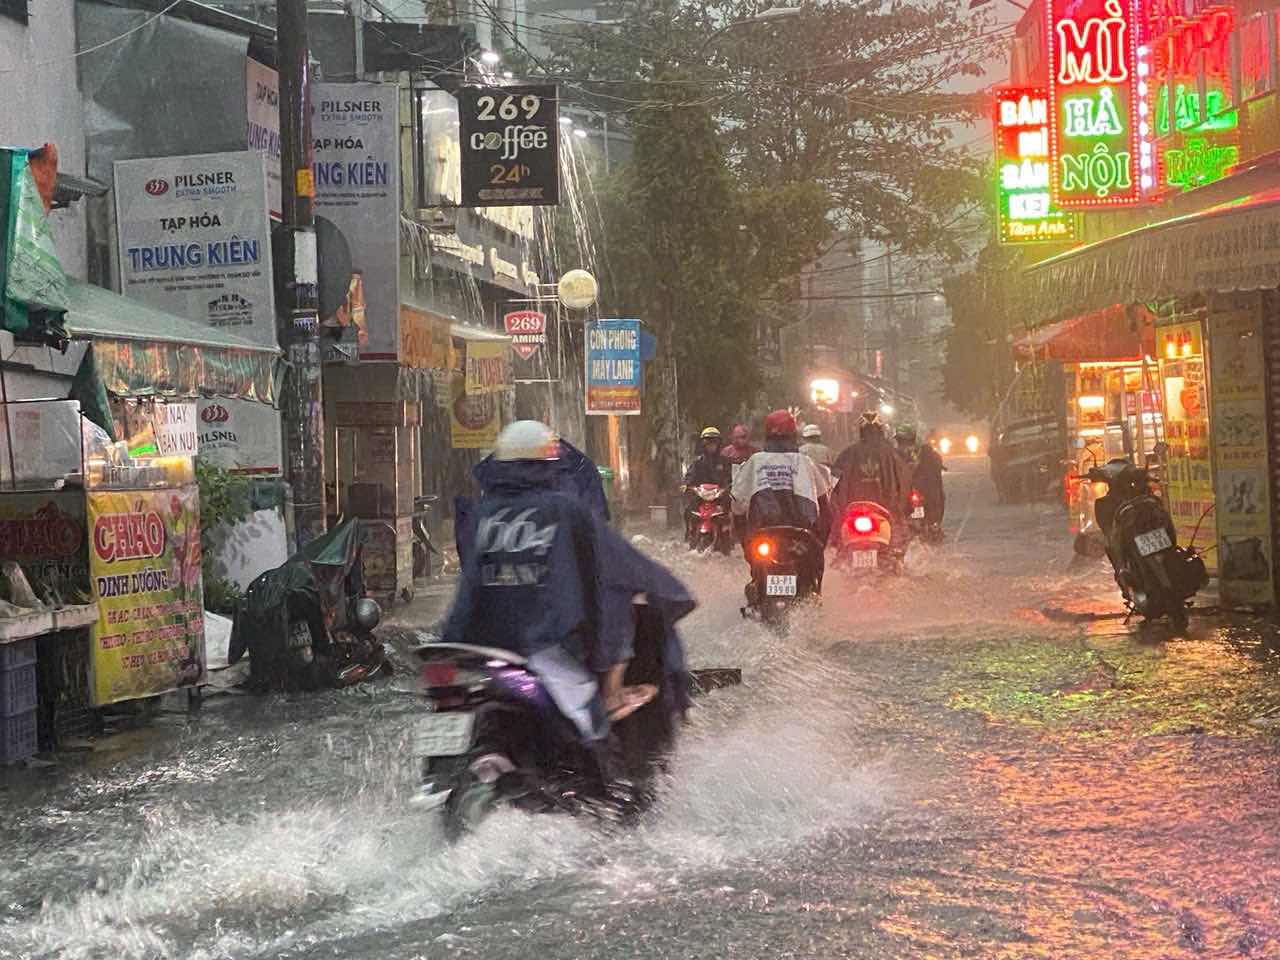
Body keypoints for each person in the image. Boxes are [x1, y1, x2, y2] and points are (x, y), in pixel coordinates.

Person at [444, 421, 675, 739]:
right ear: (549, 465)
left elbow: (467, 591)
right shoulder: (565, 510)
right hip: (546, 649)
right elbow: (609, 570)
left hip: (477, 651)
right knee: (594, 731)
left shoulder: (482, 515)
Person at [731, 409, 834, 592]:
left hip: (762, 534)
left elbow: (737, 502)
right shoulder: (805, 462)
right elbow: (824, 505)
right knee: (812, 575)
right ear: (793, 434)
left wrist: (746, 541)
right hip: (801, 535)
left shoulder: (755, 461)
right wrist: (819, 543)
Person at [832, 412, 914, 534]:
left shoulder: (848, 452)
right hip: (888, 513)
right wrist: (904, 508)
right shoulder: (892, 453)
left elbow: (834, 484)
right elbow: (905, 482)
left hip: (855, 513)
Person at [682, 427, 732, 546]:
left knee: (727, 510)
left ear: (718, 444)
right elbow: (690, 476)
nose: (711, 445)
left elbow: (730, 477)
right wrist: (687, 485)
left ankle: (726, 535)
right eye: (708, 442)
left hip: (719, 496)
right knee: (688, 510)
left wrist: (728, 487)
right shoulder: (698, 462)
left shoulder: (724, 462)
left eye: (714, 442)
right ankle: (690, 532)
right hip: (701, 496)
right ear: (703, 444)